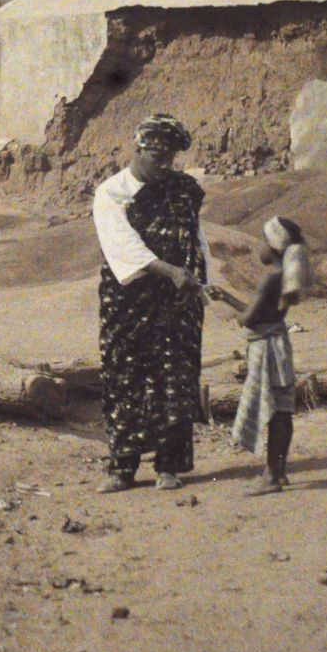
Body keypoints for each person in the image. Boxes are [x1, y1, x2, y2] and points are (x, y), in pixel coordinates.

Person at [92, 113, 212, 493]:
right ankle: (122, 469)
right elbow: (123, 246)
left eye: (171, 158)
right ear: (138, 149)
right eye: (158, 157)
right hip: (130, 301)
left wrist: (199, 280)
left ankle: (168, 467)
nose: (165, 165)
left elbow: (195, 237)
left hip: (177, 302)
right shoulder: (111, 193)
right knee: (124, 379)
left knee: (175, 379)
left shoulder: (183, 190)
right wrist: (170, 270)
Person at [207, 216, 309, 495]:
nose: (258, 246)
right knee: (282, 411)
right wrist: (226, 297)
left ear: (275, 247)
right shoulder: (281, 278)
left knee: (276, 412)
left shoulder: (270, 280)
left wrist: (236, 314)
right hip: (278, 346)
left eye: (263, 240)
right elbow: (259, 312)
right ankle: (279, 471)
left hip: (267, 350)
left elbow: (250, 319)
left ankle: (272, 476)